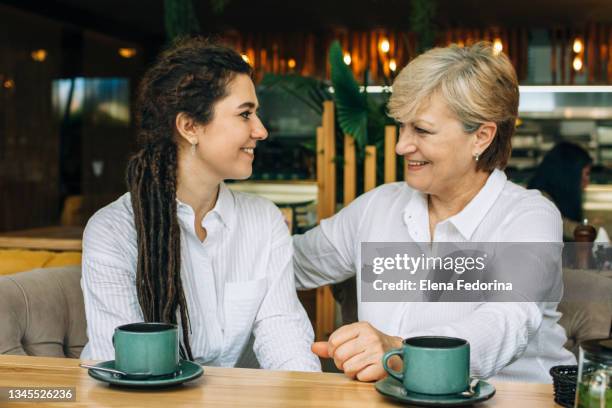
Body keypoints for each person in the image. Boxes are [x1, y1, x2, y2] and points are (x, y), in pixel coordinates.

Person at [293, 42, 576, 382]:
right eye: (402, 126)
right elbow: (288, 263)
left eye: (422, 130)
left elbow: (507, 320)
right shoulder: (378, 206)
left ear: (481, 137)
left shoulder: (528, 216)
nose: (401, 146)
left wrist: (402, 352)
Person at [80, 37, 320, 372]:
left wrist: (305, 392)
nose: (261, 131)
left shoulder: (263, 221)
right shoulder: (113, 231)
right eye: (245, 114)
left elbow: (283, 333)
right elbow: (126, 367)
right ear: (190, 126)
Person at [528, 142, 593, 241]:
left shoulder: (559, 196)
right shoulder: (539, 199)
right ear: (569, 173)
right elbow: (563, 226)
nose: (587, 183)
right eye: (586, 174)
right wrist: (594, 230)